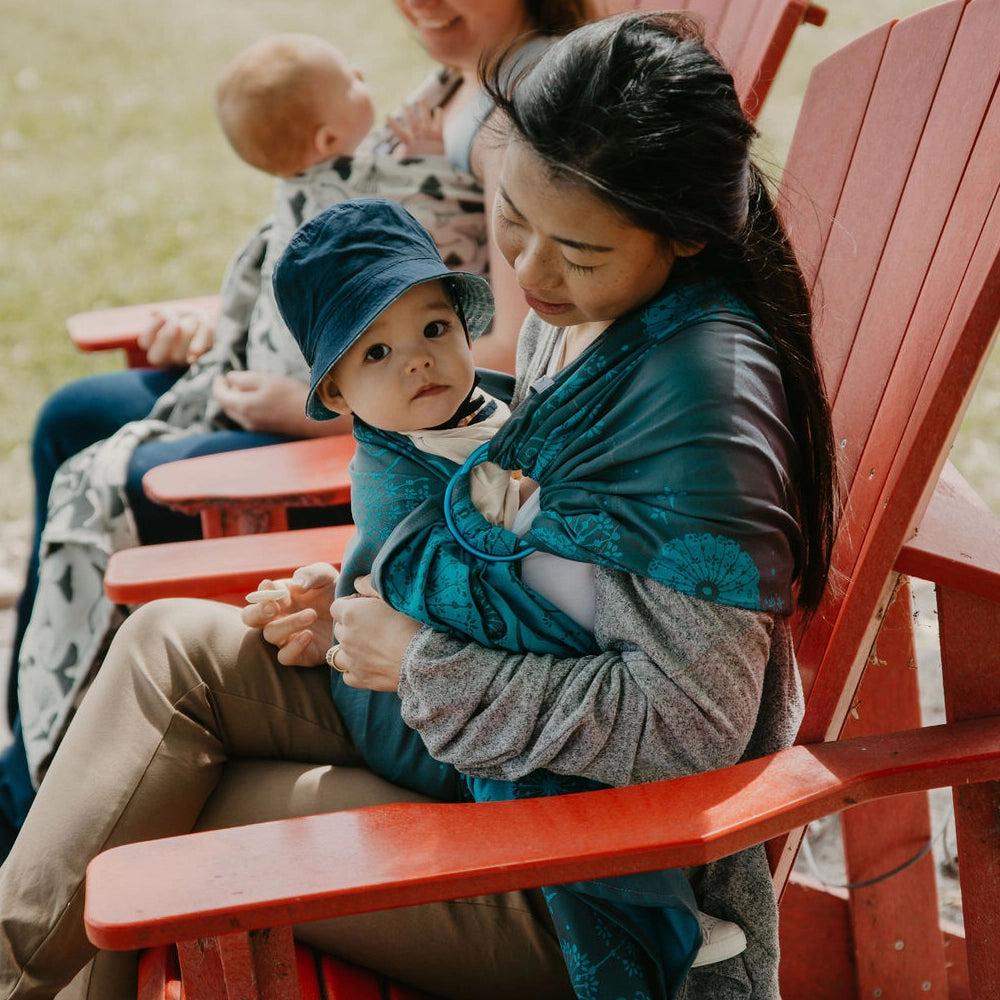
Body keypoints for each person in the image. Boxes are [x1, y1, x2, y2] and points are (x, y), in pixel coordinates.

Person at [0, 11, 838, 1000]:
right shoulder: (595, 318)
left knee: (162, 818)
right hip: (490, 761)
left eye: (573, 249)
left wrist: (422, 659)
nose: (527, 274)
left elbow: (685, 725)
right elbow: (530, 539)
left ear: (685, 234)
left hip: (586, 876)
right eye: (511, 224)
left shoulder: (698, 408)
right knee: (167, 647)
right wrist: (361, 591)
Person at [0, 30, 494, 850]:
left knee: (117, 477)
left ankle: (28, 797)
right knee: (71, 417)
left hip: (339, 417)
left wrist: (314, 405)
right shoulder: (452, 77)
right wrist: (226, 321)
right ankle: (32, 750)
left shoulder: (522, 109)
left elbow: (495, 349)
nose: (418, 8)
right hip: (300, 371)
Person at [271, 196, 749, 984]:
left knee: (530, 742)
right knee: (518, 765)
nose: (418, 361)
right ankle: (650, 922)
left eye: (432, 330)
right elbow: (467, 596)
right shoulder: (392, 483)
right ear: (336, 396)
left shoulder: (497, 405)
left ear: (463, 327)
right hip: (398, 706)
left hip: (423, 665)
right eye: (377, 355)